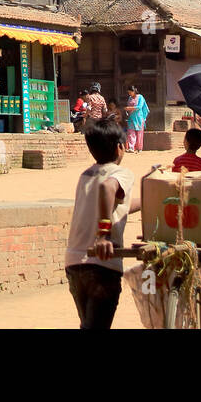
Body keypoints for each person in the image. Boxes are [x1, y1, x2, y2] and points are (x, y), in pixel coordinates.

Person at [64, 118, 140, 329]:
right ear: (120, 147)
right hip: (102, 264)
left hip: (74, 262)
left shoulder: (86, 175)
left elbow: (117, 203)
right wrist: (103, 235)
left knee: (89, 325)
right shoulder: (120, 173)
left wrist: (152, 199)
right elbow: (107, 189)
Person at [124, 85, 150, 153]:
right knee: (130, 132)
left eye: (130, 92)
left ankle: (139, 148)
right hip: (131, 117)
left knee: (139, 133)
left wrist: (129, 108)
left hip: (139, 117)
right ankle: (131, 147)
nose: (129, 94)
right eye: (128, 93)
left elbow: (139, 107)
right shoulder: (130, 98)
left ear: (134, 91)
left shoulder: (140, 97)